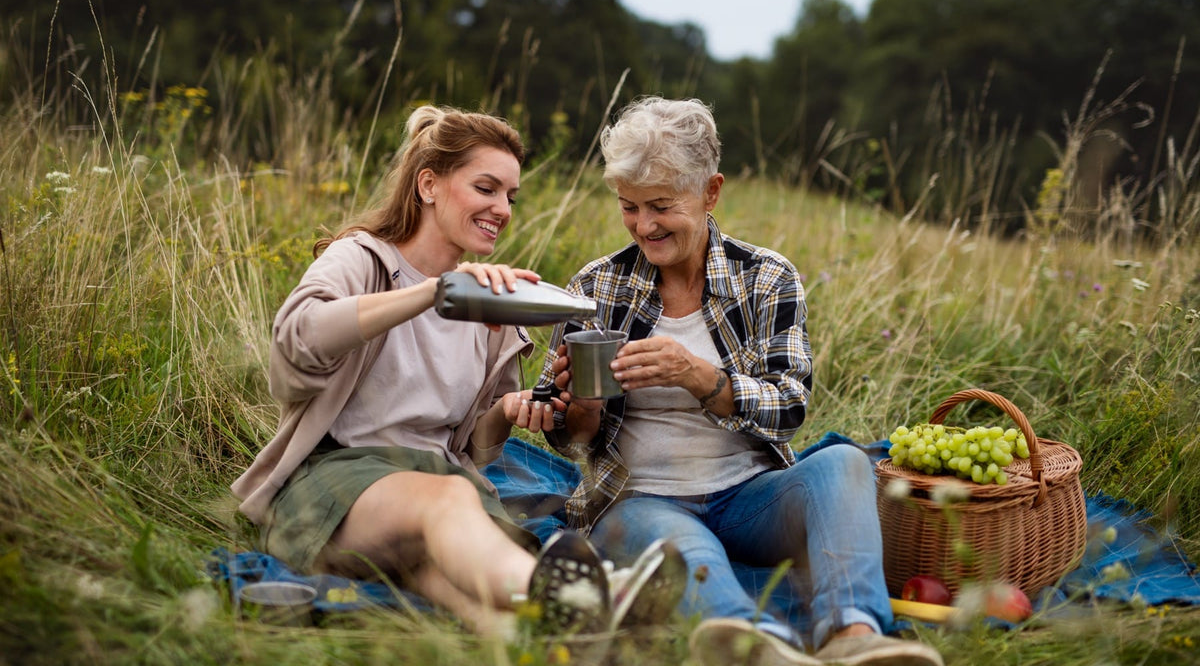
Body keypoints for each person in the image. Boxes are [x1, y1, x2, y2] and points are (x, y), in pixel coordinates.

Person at [231, 105, 667, 639]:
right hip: (336, 488)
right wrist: (436, 293)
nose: (502, 208)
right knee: (450, 500)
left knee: (457, 587)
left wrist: (505, 414)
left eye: (510, 195)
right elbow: (295, 343)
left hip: (432, 492)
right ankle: (586, 594)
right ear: (428, 184)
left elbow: (469, 452)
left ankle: (572, 638)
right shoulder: (362, 260)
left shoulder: (493, 306)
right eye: (486, 188)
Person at [537, 97, 945, 666]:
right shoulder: (596, 285)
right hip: (642, 500)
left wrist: (698, 375)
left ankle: (854, 640)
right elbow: (569, 439)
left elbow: (791, 406)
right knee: (682, 546)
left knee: (846, 463)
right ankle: (753, 646)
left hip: (749, 496)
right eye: (629, 207)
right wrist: (581, 405)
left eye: (660, 205)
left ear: (711, 191)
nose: (644, 226)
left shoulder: (766, 278)